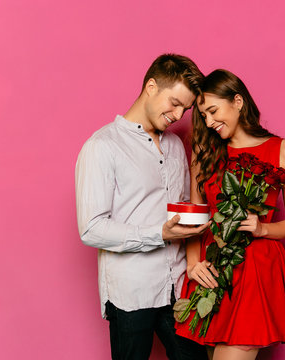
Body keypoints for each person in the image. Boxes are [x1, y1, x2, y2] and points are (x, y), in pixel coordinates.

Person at [75, 54, 209, 360]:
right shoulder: (102, 146)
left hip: (177, 287)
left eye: (185, 109)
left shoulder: (175, 145)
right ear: (151, 86)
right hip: (130, 292)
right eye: (174, 103)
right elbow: (91, 228)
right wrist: (159, 233)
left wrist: (196, 221)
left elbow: (181, 205)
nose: (178, 114)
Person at [175, 69, 285, 360]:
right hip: (212, 271)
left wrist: (263, 229)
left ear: (238, 101)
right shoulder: (205, 151)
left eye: (212, 111)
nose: (209, 122)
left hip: (255, 270)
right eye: (203, 116)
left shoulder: (284, 150)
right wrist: (193, 263)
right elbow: (197, 214)